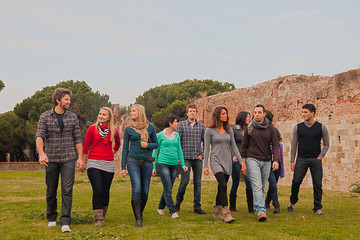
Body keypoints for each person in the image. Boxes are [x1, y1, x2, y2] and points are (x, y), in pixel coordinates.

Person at [35, 88, 85, 233]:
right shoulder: (45, 116)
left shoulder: (73, 117)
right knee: (51, 189)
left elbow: (77, 138)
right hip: (50, 158)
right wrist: (41, 153)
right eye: (66, 99)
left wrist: (81, 158)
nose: (69, 102)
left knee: (67, 190)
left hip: (68, 158)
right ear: (58, 100)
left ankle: (65, 221)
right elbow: (39, 136)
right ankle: (51, 217)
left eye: (69, 99)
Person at [203, 106, 246, 223]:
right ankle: (226, 214)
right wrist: (205, 166)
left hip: (227, 161)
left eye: (226, 113)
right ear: (217, 115)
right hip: (215, 160)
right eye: (223, 113)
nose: (225, 115)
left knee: (221, 186)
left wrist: (242, 162)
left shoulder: (229, 130)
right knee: (223, 184)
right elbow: (206, 149)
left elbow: (234, 147)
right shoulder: (209, 131)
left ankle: (216, 212)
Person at [287, 104, 329, 215]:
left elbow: (326, 144)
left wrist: (320, 157)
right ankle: (292, 202)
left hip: (316, 160)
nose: (303, 114)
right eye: (302, 112)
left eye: (305, 112)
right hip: (301, 159)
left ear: (312, 113)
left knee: (317, 184)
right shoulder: (298, 127)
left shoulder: (321, 127)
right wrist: (292, 161)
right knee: (296, 182)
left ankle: (317, 208)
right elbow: (294, 145)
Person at [121, 104, 159, 228]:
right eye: (130, 111)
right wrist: (123, 167)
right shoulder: (129, 129)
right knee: (137, 188)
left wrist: (147, 145)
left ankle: (139, 213)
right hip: (133, 161)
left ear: (140, 112)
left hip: (147, 161)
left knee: (145, 191)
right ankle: (138, 219)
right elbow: (125, 148)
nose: (131, 113)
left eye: (133, 111)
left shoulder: (150, 127)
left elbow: (156, 144)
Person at [83, 107, 121, 226]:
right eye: (100, 114)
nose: (101, 116)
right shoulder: (92, 129)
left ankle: (103, 213)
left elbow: (118, 143)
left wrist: (112, 152)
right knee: (98, 190)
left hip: (108, 164)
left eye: (104, 114)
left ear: (109, 117)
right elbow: (86, 147)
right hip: (94, 163)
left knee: (105, 191)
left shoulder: (113, 130)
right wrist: (83, 162)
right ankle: (98, 218)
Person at [242, 104, 279, 222]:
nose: (257, 115)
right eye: (255, 112)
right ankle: (262, 210)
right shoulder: (250, 128)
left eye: (259, 112)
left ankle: (258, 208)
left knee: (263, 186)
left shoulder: (271, 128)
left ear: (264, 114)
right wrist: (243, 162)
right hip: (252, 159)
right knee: (257, 185)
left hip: (267, 160)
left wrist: (276, 160)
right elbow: (244, 146)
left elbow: (275, 145)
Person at [152, 115, 188, 218]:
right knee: (168, 188)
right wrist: (153, 167)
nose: (177, 124)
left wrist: (183, 165)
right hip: (163, 164)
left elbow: (179, 150)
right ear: (170, 123)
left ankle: (160, 207)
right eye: (176, 122)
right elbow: (155, 152)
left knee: (169, 187)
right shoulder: (159, 135)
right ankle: (173, 211)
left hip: (174, 165)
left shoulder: (176, 135)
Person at [175, 104, 206, 215]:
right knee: (184, 182)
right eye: (190, 111)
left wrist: (202, 154)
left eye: (194, 111)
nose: (192, 113)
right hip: (185, 158)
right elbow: (177, 142)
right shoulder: (181, 125)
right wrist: (179, 157)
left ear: (196, 112)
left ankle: (197, 206)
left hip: (197, 158)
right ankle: (178, 202)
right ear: (187, 113)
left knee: (197, 182)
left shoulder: (201, 126)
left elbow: (205, 141)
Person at [229, 111, 254, 213]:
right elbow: (230, 144)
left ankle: (250, 207)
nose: (249, 118)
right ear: (242, 118)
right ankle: (232, 206)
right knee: (235, 182)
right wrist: (233, 155)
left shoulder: (250, 129)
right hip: (236, 158)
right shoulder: (234, 129)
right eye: (247, 117)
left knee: (249, 181)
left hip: (247, 157)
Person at [264, 127, 285, 214]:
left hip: (277, 165)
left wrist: (282, 171)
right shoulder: (266, 145)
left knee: (273, 185)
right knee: (273, 185)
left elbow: (281, 159)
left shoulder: (279, 145)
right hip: (269, 164)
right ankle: (276, 205)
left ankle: (267, 202)